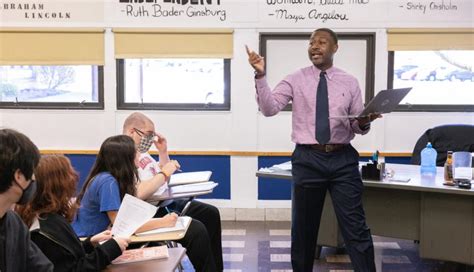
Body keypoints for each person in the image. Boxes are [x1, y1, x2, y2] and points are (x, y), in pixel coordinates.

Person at [246, 28, 380, 272]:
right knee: (304, 230)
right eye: (311, 42)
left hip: (343, 159)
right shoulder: (295, 78)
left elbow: (356, 124)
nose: (315, 46)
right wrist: (261, 76)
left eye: (321, 42)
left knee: (356, 228)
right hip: (308, 159)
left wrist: (364, 121)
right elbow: (269, 108)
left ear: (335, 48)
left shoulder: (349, 81)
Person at [72, 135, 218, 271]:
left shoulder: (111, 179)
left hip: (106, 236)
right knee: (196, 231)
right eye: (136, 152)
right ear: (125, 157)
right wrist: (163, 222)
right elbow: (121, 226)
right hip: (92, 241)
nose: (139, 155)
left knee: (196, 228)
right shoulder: (107, 182)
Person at [123, 112, 223, 271]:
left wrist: (163, 153)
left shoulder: (144, 154)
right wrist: (164, 173)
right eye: (148, 135)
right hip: (149, 210)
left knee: (210, 213)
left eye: (152, 136)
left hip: (164, 201)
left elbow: (163, 181)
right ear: (131, 132)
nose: (150, 140)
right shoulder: (122, 154)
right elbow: (138, 193)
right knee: (197, 230)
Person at [16, 155, 129, 272]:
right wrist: (111, 248)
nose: (74, 178)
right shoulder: (46, 227)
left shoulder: (42, 217)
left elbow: (66, 257)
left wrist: (89, 243)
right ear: (59, 184)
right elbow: (74, 268)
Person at [0, 128, 53, 271]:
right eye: (33, 172)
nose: (34, 179)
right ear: (19, 176)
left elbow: (42, 268)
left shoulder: (13, 224)